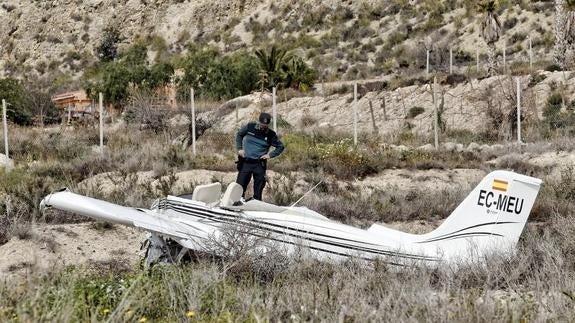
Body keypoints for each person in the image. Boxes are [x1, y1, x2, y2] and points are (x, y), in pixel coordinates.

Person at [235, 112, 285, 200]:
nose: (263, 127)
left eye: (265, 125)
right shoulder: (250, 127)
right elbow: (239, 134)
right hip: (246, 161)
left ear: (268, 124)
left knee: (258, 189)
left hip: (259, 164)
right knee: (239, 186)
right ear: (259, 122)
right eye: (262, 124)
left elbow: (280, 147)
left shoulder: (271, 135)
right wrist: (239, 148)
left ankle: (255, 204)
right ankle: (237, 202)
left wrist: (270, 155)